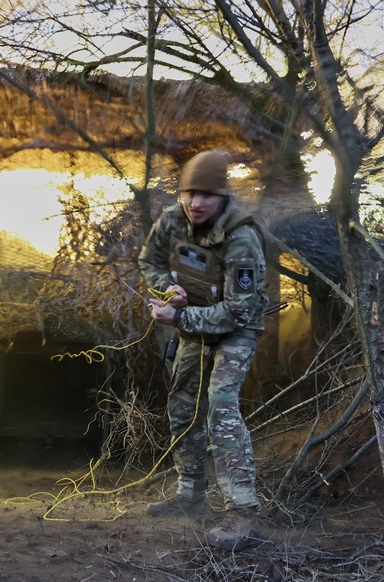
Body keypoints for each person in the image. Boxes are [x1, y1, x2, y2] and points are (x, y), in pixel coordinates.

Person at [138, 149, 268, 551]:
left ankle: (242, 511)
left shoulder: (242, 237)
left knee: (220, 405)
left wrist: (179, 321)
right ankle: (190, 494)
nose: (195, 203)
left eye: (206, 195)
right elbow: (149, 261)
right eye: (189, 193)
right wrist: (167, 290)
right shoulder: (172, 219)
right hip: (191, 320)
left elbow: (239, 311)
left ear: (222, 196)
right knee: (182, 403)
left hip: (235, 330)